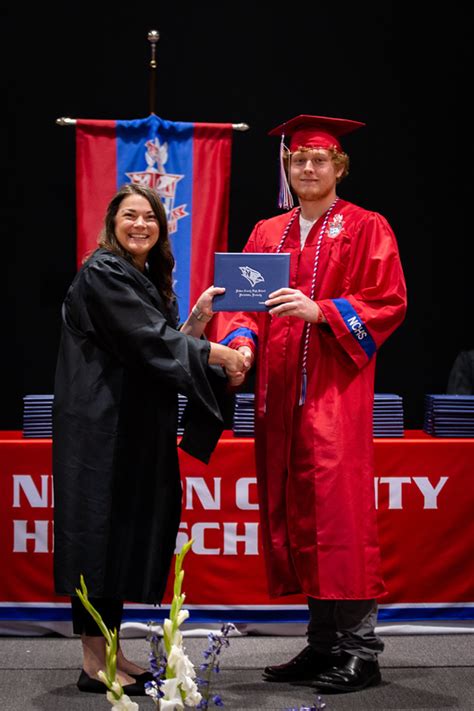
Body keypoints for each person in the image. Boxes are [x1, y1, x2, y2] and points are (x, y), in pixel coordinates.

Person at [218, 115, 407, 693]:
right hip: (278, 401)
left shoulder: (367, 227)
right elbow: (241, 307)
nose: (307, 168)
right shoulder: (266, 233)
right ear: (287, 167)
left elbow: (388, 300)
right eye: (297, 159)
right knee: (297, 513)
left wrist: (322, 311)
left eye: (319, 160)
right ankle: (322, 644)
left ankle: (359, 650)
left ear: (339, 168)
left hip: (334, 397)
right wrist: (240, 345)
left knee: (338, 515)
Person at [53, 183, 247, 696]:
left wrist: (200, 319)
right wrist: (218, 356)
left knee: (120, 537)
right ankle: (94, 663)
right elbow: (150, 341)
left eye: (150, 218)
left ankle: (112, 652)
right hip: (100, 430)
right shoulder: (102, 271)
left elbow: (155, 346)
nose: (140, 224)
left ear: (162, 229)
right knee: (97, 538)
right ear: (112, 223)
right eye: (130, 216)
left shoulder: (140, 277)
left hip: (132, 429)